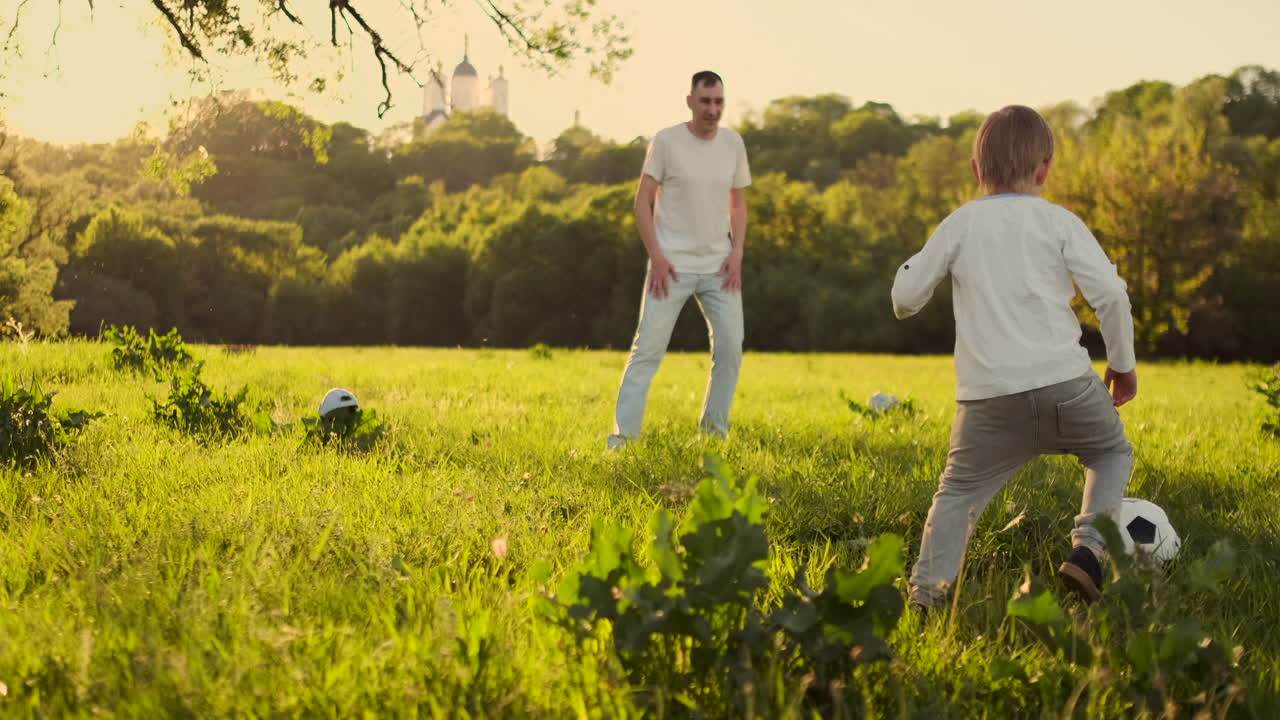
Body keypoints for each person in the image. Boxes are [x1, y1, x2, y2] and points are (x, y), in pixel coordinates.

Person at [891, 105, 1138, 610]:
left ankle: (926, 600)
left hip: (988, 402)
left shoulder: (959, 224)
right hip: (1067, 385)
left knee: (957, 493)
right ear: (1045, 168)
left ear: (976, 168)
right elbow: (1111, 294)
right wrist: (1122, 363)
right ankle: (1089, 551)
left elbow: (905, 298)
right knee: (1110, 452)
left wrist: (915, 265)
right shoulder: (1060, 222)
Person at [607, 70, 752, 448]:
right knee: (647, 352)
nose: (712, 109)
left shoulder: (733, 144)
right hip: (669, 267)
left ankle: (713, 437)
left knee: (730, 350)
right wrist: (656, 255)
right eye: (705, 101)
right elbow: (642, 200)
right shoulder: (667, 142)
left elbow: (737, 204)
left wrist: (737, 252)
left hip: (720, 267)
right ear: (690, 101)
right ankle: (624, 442)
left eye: (719, 101)